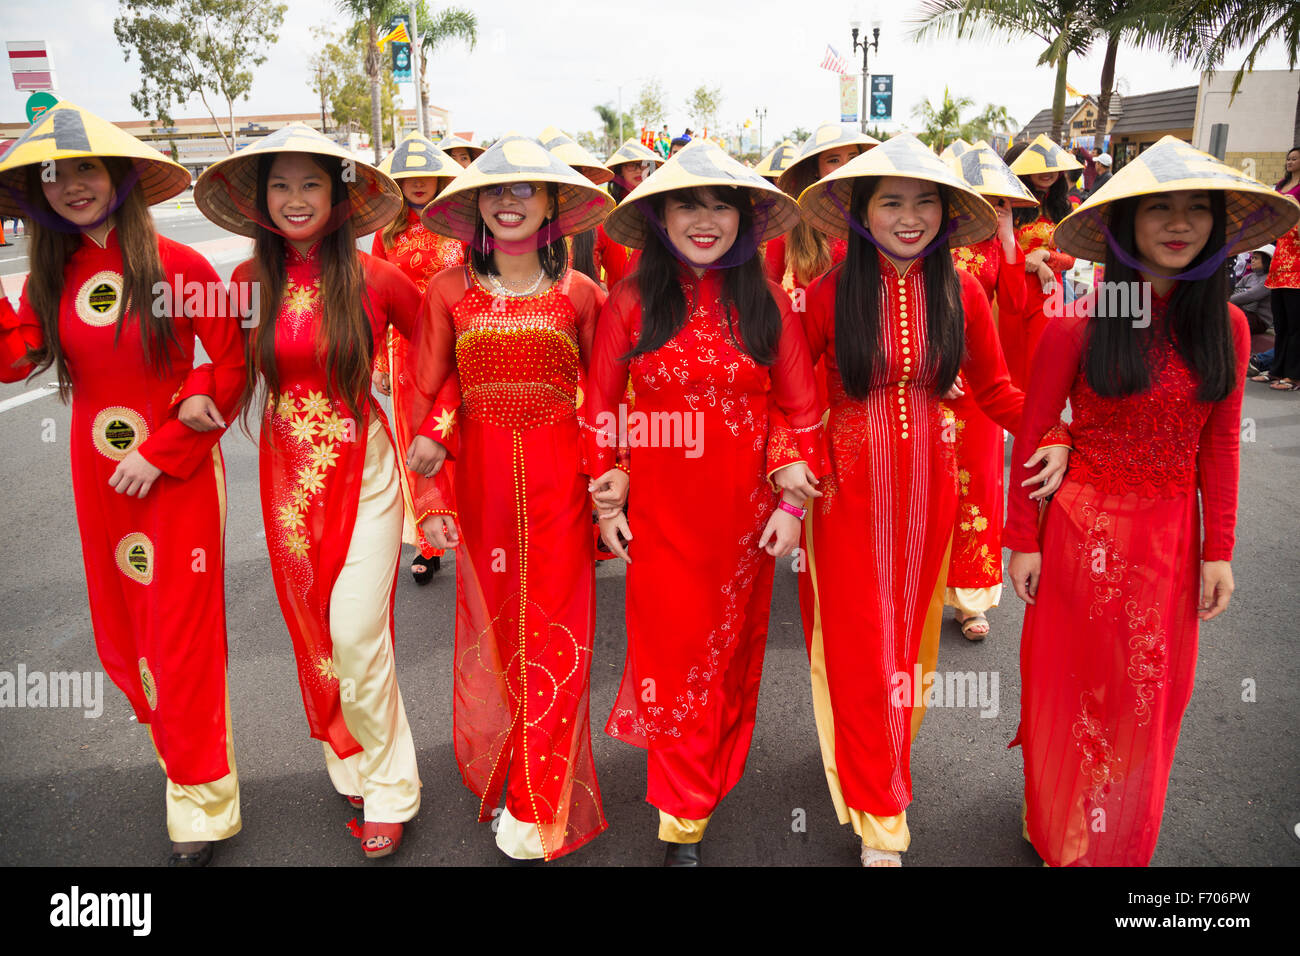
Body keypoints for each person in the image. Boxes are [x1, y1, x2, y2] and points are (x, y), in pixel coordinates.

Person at [1005, 135, 1298, 867]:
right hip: (1079, 536)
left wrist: (1218, 551)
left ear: (1220, 225)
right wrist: (1023, 539)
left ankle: (1118, 839)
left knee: (1148, 701)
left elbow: (1220, 446)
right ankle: (1061, 829)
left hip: (1169, 543)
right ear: (1125, 226)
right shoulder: (1078, 323)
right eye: (1158, 208)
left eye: (1197, 209)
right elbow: (1034, 428)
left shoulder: (1227, 328)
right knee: (1074, 693)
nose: (1178, 222)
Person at [794, 133, 1069, 866]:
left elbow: (1000, 391)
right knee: (861, 643)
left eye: (925, 202)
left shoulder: (964, 291)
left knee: (907, 643)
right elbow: (790, 393)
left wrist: (1065, 434)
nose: (909, 216)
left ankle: (879, 760)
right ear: (861, 212)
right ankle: (884, 808)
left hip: (931, 491)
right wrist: (796, 462)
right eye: (892, 202)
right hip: (845, 492)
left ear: (948, 215)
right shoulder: (828, 293)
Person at [0, 102, 244, 866]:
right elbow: (15, 362)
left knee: (180, 634)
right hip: (99, 482)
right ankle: (179, 761)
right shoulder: (54, 275)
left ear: (120, 177)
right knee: (129, 632)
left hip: (174, 479)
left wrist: (169, 443)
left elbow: (232, 361)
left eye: (85, 168)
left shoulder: (179, 266)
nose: (71, 184)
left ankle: (203, 799)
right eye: (55, 173)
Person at [588, 140, 823, 866]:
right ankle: (682, 817)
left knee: (722, 661)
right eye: (688, 203)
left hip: (744, 522)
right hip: (660, 518)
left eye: (722, 204)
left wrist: (791, 505)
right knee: (672, 654)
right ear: (661, 217)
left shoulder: (767, 301)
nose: (705, 219)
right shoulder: (631, 300)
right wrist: (609, 494)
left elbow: (802, 411)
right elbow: (600, 410)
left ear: (746, 221)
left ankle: (700, 782)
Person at [195, 124, 424, 859]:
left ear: (340, 195)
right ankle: (350, 763)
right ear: (260, 199)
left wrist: (439, 428)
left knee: (358, 636)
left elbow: (443, 349)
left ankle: (391, 786)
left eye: (311, 184)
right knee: (317, 641)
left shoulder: (378, 280)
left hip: (369, 471)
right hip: (286, 481)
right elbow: (226, 373)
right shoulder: (243, 284)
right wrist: (188, 410)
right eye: (281, 185)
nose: (296, 199)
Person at [404, 133, 614, 862]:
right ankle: (511, 763)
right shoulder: (448, 293)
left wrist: (610, 484)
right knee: (498, 634)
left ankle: (537, 798)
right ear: (474, 208)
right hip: (482, 487)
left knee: (557, 635)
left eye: (526, 189)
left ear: (554, 204)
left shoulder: (582, 296)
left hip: (563, 488)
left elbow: (608, 396)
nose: (509, 202)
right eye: (495, 190)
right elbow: (427, 391)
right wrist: (431, 485)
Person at [938, 139, 1041, 641]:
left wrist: (1006, 239)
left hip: (979, 388)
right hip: (926, 384)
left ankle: (970, 600)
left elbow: (1018, 304)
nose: (991, 207)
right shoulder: (930, 240)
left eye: (999, 201)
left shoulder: (999, 248)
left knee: (976, 488)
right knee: (922, 488)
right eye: (981, 199)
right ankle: (916, 591)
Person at [370, 132, 464, 584]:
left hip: (459, 340)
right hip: (406, 348)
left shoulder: (459, 223)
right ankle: (428, 541)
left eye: (426, 172)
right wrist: (380, 363)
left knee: (462, 435)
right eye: (407, 174)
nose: (418, 182)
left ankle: (471, 529)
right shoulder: (386, 234)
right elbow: (373, 299)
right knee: (417, 442)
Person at [1002, 134, 1085, 387]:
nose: (1046, 172)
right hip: (1011, 289)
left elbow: (1071, 259)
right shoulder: (1005, 203)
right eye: (1037, 165)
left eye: (1051, 166)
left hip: (1048, 293)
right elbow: (996, 248)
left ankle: (1040, 423)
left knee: (1042, 365)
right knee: (1010, 365)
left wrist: (1044, 256)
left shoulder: (1062, 207)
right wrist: (1033, 262)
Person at [595, 139, 664, 289]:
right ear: (619, 171)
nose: (640, 170)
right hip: (619, 301)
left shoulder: (664, 212)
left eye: (645, 164)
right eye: (632, 165)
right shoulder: (606, 214)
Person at [1260, 146, 1300, 390]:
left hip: (1298, 262)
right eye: (1288, 158)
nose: (1290, 161)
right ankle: (1276, 370)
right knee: (1282, 322)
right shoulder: (1279, 186)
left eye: (1295, 158)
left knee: (1296, 324)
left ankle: (1293, 376)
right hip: (1280, 259)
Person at [1231, 244, 1273, 337]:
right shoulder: (1249, 277)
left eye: (1256, 258)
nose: (1252, 261)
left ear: (1267, 261)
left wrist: (1225, 301)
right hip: (1244, 312)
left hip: (1259, 320)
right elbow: (1233, 290)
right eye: (1252, 258)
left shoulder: (1270, 280)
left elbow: (1251, 295)